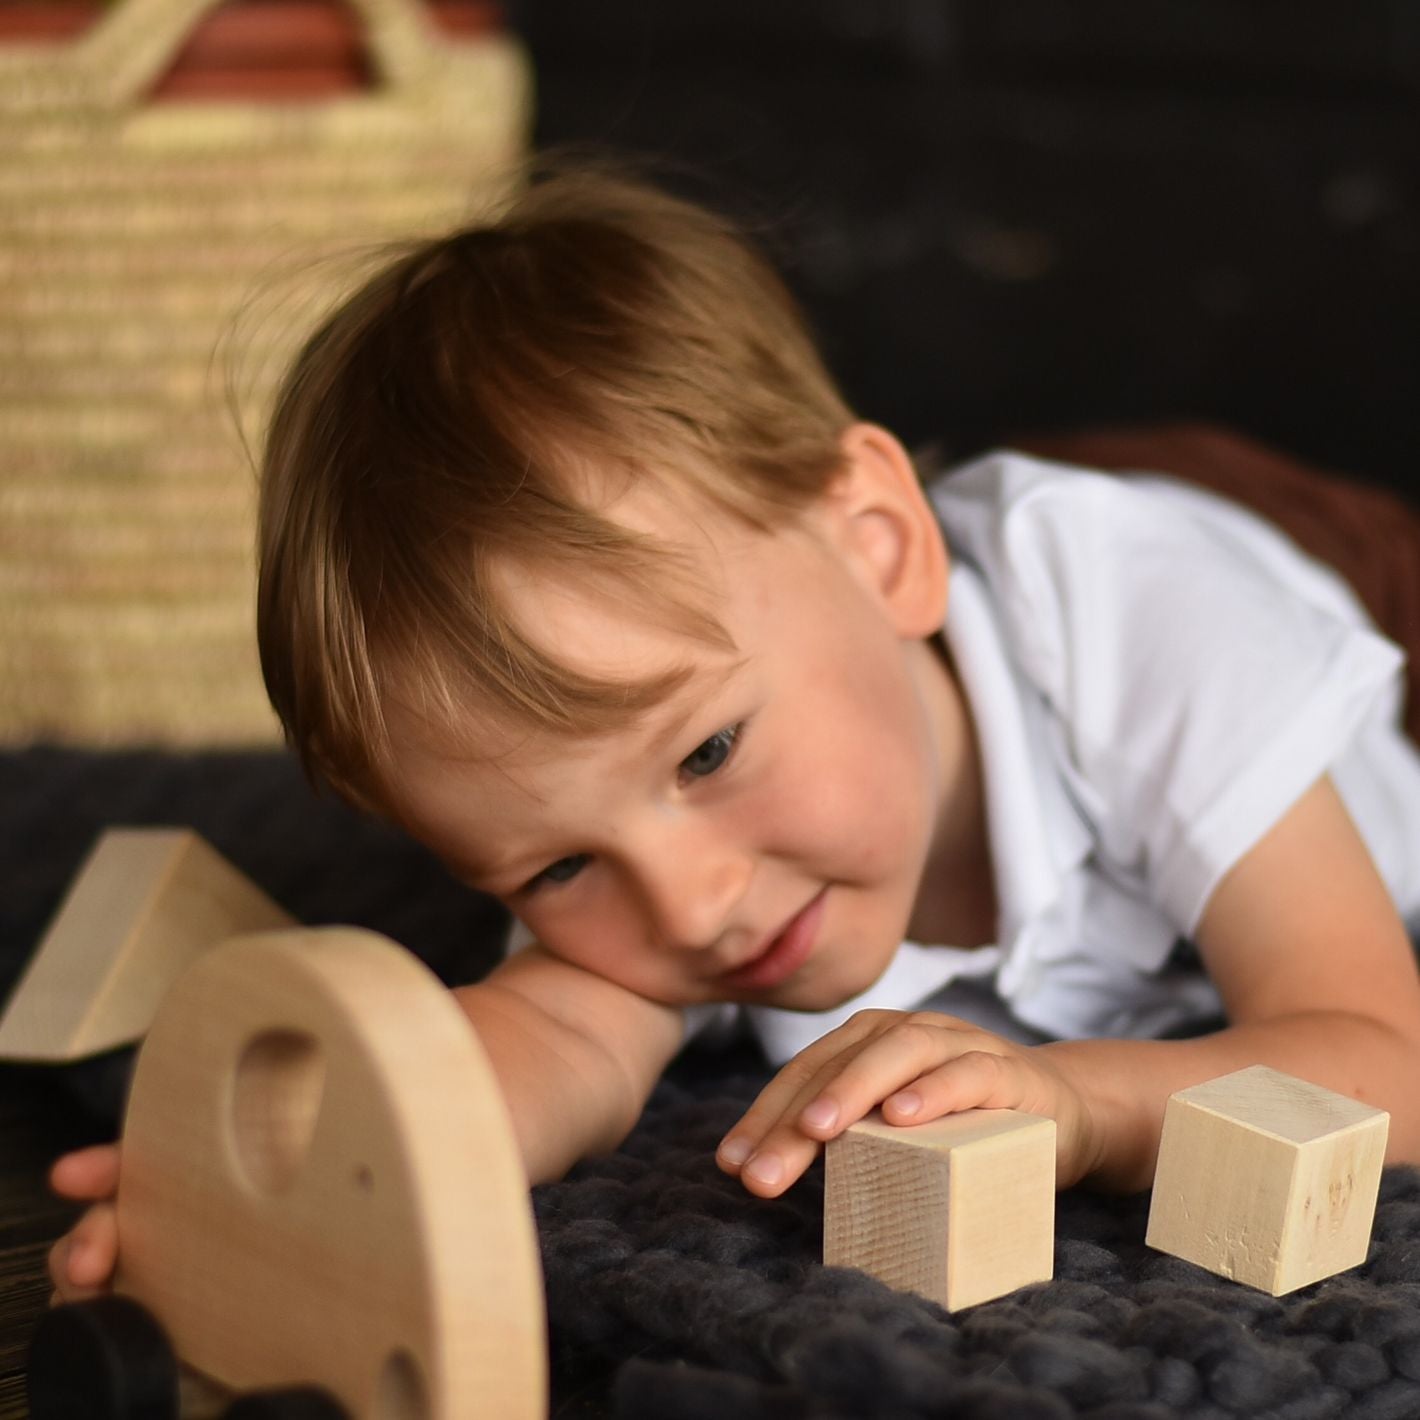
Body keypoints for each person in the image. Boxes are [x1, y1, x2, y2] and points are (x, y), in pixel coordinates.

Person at [47, 163, 1420, 1303]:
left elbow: (1380, 1053)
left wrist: (1083, 1102)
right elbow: (543, 1045)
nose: (691, 906)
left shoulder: (1154, 642)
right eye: (550, 872)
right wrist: (298, 1168)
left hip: (1312, 566)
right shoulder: (649, 830)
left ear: (883, 553)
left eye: (706, 753)